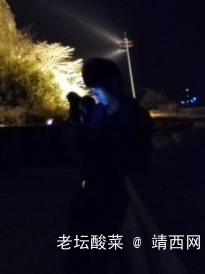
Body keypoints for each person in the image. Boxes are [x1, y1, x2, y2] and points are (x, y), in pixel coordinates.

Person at [64, 58, 152, 274]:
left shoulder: (135, 116)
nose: (92, 93)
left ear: (112, 82)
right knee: (77, 255)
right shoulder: (99, 112)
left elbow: (135, 160)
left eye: (95, 87)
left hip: (113, 198)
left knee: (100, 257)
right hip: (87, 194)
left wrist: (92, 141)